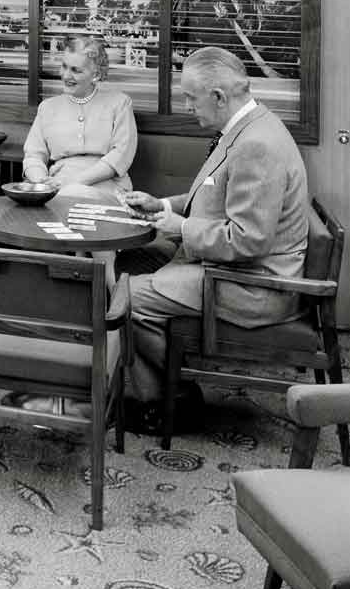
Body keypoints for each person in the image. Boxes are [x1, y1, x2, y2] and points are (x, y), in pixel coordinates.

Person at [109, 47, 309, 423]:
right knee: (129, 260)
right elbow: (215, 193)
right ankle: (155, 381)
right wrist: (162, 206)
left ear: (219, 97)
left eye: (190, 97)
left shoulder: (256, 145)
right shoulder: (247, 126)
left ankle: (172, 402)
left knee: (125, 298)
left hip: (253, 285)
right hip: (232, 267)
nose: (186, 106)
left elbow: (249, 240)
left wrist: (180, 227)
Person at [22, 35, 137, 200]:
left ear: (95, 74)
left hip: (108, 186)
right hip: (58, 186)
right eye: (64, 67)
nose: (66, 75)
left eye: (75, 70)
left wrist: (72, 183)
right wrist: (42, 182)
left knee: (70, 198)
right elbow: (33, 155)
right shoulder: (47, 108)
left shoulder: (120, 104)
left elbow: (120, 156)